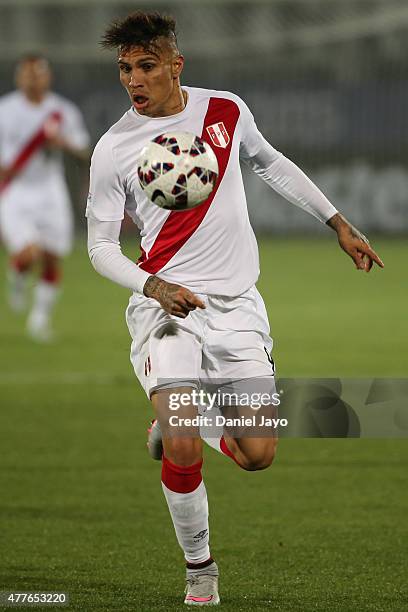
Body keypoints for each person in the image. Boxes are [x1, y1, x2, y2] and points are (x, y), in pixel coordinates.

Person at [86, 11, 384, 606]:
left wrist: (337, 222)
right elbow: (98, 246)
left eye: (146, 66)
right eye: (125, 69)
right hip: (167, 310)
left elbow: (270, 161)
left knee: (258, 453)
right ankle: (200, 568)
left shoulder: (225, 109)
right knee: (182, 438)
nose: (134, 80)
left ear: (176, 65)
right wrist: (152, 286)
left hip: (238, 309)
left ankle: (183, 426)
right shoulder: (114, 148)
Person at [0, 54, 90, 341]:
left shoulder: (62, 111)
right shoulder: (5, 110)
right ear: (19, 77)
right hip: (16, 191)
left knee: (52, 257)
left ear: (47, 77)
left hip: (50, 190)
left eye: (38, 74)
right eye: (27, 74)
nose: (32, 79)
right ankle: (17, 275)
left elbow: (83, 148)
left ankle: (39, 321)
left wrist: (61, 142)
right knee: (28, 253)